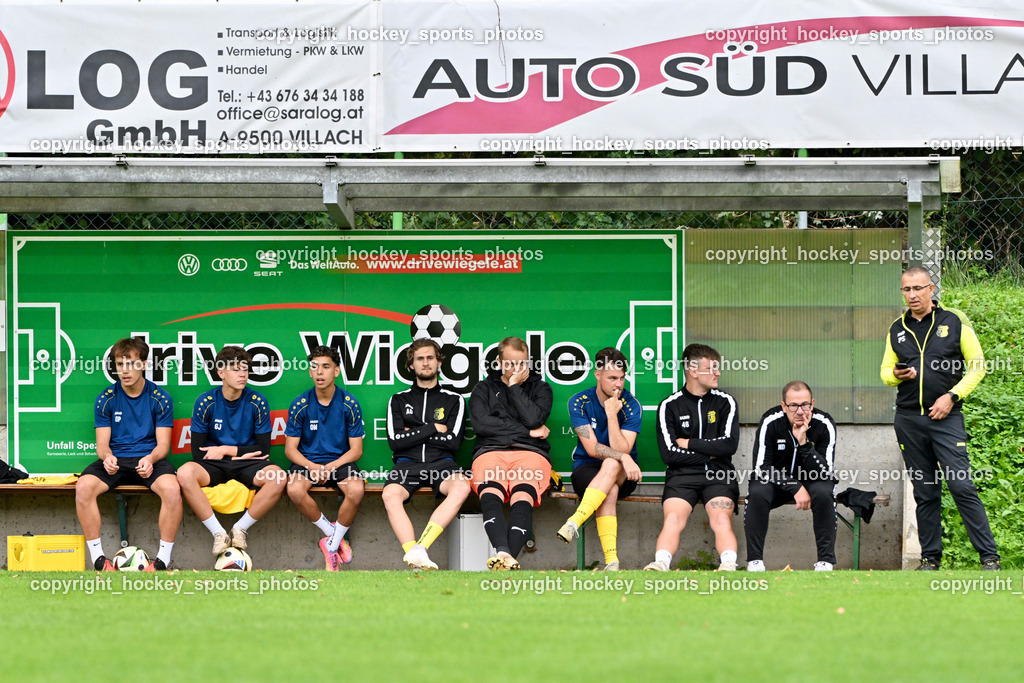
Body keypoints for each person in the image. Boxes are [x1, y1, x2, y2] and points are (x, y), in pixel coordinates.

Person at [881, 266, 1000, 570]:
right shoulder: (897, 328)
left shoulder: (954, 321)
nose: (912, 295)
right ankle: (930, 560)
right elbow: (885, 372)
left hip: (946, 419)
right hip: (908, 420)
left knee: (961, 486)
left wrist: (952, 397)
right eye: (906, 290)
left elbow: (978, 366)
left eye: (918, 288)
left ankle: (989, 557)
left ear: (931, 290)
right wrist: (897, 375)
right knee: (925, 491)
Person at [76, 337, 181, 571]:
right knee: (83, 487)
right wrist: (107, 457)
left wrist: (150, 459)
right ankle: (99, 560)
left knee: (173, 490)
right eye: (120, 364)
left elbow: (164, 445)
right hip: (117, 461)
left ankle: (162, 561)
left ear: (143, 364)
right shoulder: (106, 398)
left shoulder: (160, 398)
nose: (125, 371)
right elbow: (101, 445)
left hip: (149, 460)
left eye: (131, 364)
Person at [177, 346, 286, 558]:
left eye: (245, 369)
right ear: (221, 372)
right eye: (236, 369)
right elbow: (198, 454)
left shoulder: (257, 401)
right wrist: (239, 453)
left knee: (279, 477)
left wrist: (226, 450)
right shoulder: (205, 402)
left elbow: (263, 449)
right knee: (184, 473)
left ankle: (240, 529)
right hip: (214, 465)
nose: (243, 374)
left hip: (247, 465)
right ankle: (219, 533)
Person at [644, 343, 740, 572]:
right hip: (682, 475)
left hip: (719, 475)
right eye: (712, 368)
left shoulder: (725, 402)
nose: (718, 373)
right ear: (693, 371)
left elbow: (729, 445)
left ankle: (728, 564)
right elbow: (668, 454)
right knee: (674, 519)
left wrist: (690, 445)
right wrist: (710, 455)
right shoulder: (670, 405)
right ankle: (661, 563)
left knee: (721, 520)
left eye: (718, 367)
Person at [382, 339, 471, 570]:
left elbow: (453, 441)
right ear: (411, 365)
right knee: (390, 494)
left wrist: (413, 433)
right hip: (406, 464)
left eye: (430, 357)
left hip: (442, 464)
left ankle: (420, 548)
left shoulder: (455, 400)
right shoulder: (398, 399)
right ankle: (416, 556)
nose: (425, 363)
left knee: (461, 486)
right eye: (420, 358)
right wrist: (432, 427)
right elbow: (395, 442)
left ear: (439, 362)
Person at [470, 336, 553, 570]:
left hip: (531, 453)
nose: (516, 369)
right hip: (490, 451)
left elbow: (536, 417)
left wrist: (514, 386)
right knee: (490, 492)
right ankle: (505, 553)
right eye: (510, 364)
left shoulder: (541, 388)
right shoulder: (483, 388)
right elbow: (482, 425)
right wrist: (527, 430)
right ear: (499, 362)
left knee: (522, 494)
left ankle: (506, 558)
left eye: (521, 364)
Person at [556, 347, 642, 571]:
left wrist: (612, 414)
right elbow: (593, 448)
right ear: (598, 374)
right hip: (587, 468)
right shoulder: (579, 402)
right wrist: (623, 456)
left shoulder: (631, 405)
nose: (619, 384)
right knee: (609, 488)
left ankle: (574, 521)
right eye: (612, 378)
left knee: (613, 464)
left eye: (622, 378)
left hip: (625, 474)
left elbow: (623, 447)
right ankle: (612, 562)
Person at [285, 346, 365, 571]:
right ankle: (334, 536)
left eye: (326, 367)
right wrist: (312, 466)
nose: (319, 372)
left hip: (340, 463)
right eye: (314, 367)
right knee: (294, 490)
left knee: (356, 490)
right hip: (307, 462)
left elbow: (356, 450)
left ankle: (329, 546)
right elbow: (290, 450)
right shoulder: (300, 404)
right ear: (310, 372)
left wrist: (330, 467)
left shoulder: (349, 403)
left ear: (336, 371)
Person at [744, 381, 837, 571]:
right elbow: (762, 467)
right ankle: (755, 561)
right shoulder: (771, 421)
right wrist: (795, 487)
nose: (800, 411)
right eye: (793, 405)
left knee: (824, 492)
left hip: (812, 481)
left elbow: (824, 471)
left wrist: (803, 443)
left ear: (812, 403)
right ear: (784, 406)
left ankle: (825, 562)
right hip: (776, 482)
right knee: (757, 491)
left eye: (805, 405)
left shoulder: (824, 424)